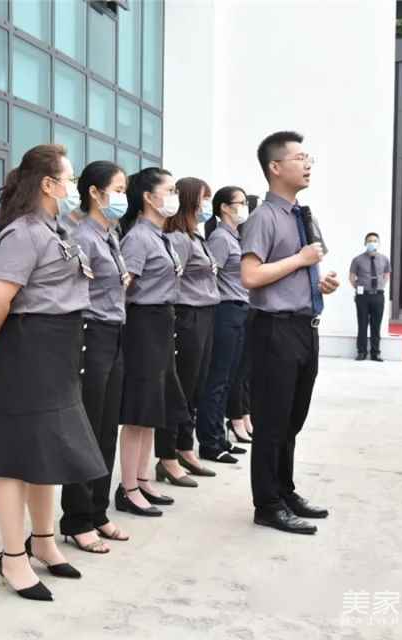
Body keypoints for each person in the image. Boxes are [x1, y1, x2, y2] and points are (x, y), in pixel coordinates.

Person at [0, 144, 107, 602]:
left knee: (47, 452)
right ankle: (13, 556)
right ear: (47, 184)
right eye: (69, 177)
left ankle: (43, 541)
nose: (74, 185)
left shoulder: (57, 229)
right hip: (27, 349)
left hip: (58, 349)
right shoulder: (23, 232)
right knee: (15, 459)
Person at [240, 130, 340, 535]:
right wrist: (299, 260)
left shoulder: (303, 215)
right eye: (300, 158)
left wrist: (320, 283)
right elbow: (250, 276)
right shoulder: (263, 218)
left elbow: (299, 270)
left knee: (292, 419)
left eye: (308, 157)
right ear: (275, 167)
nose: (308, 164)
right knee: (271, 421)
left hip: (304, 327)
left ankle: (285, 491)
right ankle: (267, 504)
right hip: (273, 331)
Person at [59, 161, 131, 554]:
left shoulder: (110, 234)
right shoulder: (82, 236)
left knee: (106, 429)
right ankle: (76, 518)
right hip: (91, 334)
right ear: (94, 193)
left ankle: (98, 510)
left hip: (114, 333)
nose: (123, 196)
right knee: (85, 429)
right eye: (117, 189)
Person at [117, 167, 193, 507]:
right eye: (170, 190)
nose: (175, 197)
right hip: (142, 324)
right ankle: (128, 488)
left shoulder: (160, 235)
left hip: (162, 322)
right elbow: (123, 286)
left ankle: (143, 479)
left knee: (153, 408)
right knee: (138, 410)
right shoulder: (138, 237)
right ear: (148, 197)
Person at [164, 178, 220, 479]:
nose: (207, 205)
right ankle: (168, 453)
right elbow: (171, 279)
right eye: (203, 198)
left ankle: (186, 447)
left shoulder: (196, 236)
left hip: (206, 313)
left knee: (197, 385)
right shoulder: (177, 238)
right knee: (182, 387)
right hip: (188, 315)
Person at [196, 186, 252, 464]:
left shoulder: (235, 237)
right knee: (217, 379)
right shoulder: (220, 238)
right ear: (225, 208)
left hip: (240, 309)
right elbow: (210, 275)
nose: (244, 207)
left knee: (230, 378)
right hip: (225, 310)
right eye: (240, 202)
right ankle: (209, 441)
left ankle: (220, 438)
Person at [349, 232, 391, 361]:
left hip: (378, 296)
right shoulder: (357, 260)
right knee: (362, 324)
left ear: (378, 243)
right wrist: (359, 288)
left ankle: (375, 352)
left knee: (376, 325)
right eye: (369, 241)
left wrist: (381, 285)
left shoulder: (384, 259)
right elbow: (351, 277)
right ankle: (361, 352)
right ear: (365, 243)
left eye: (374, 241)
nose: (372, 243)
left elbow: (387, 275)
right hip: (363, 297)